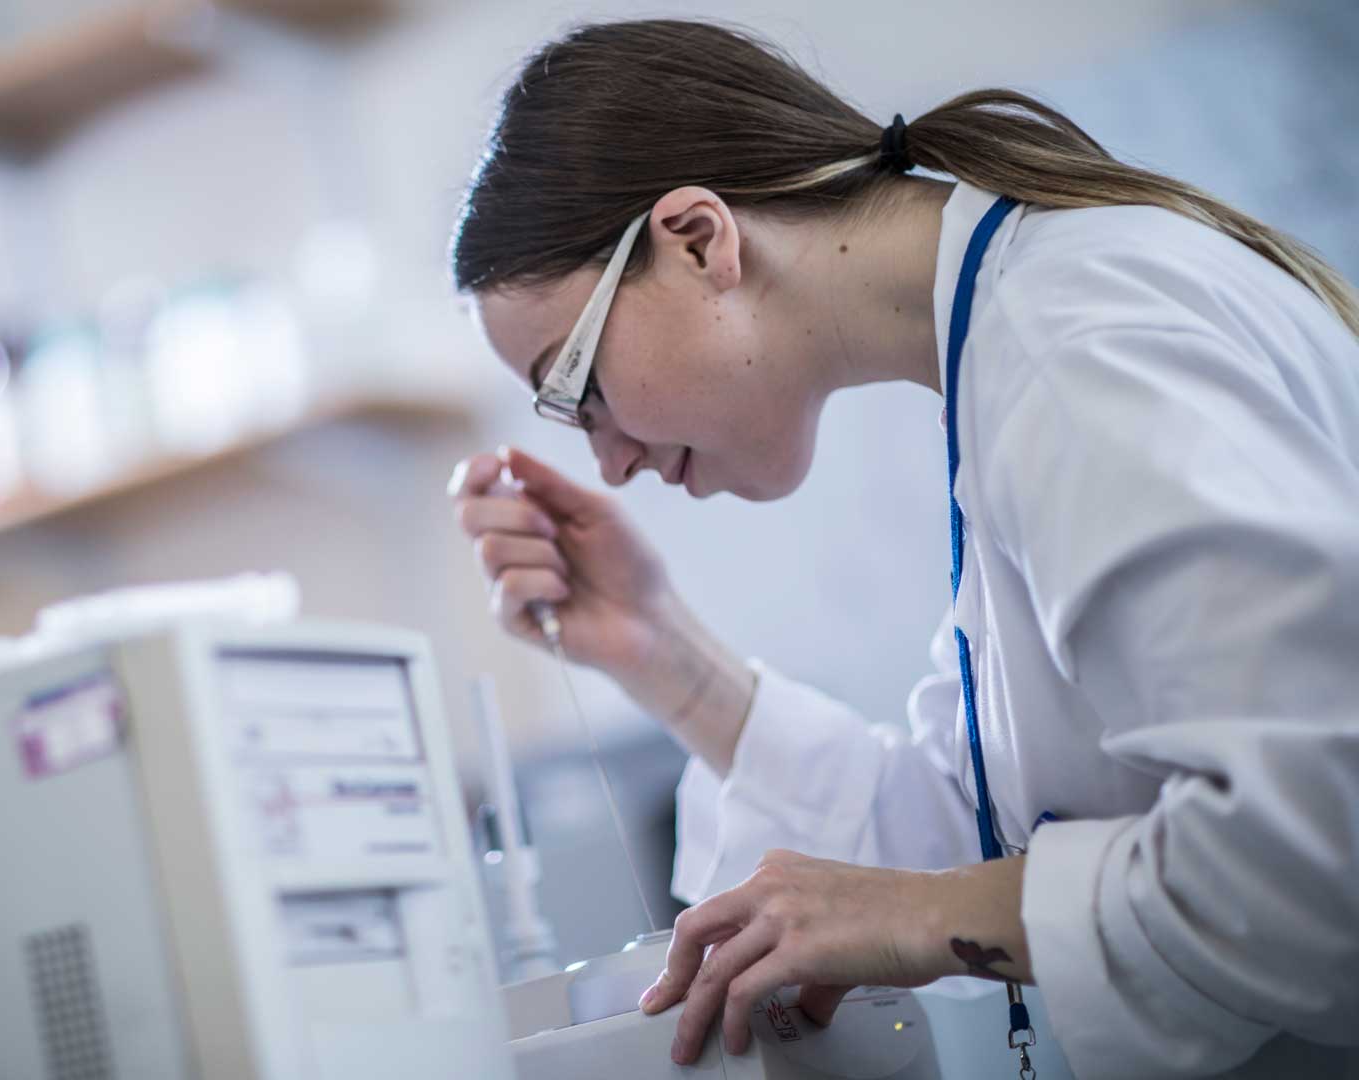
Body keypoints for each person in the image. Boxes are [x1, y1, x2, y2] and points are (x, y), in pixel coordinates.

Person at [444, 18, 1359, 1080]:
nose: (608, 462)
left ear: (700, 239)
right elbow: (972, 825)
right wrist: (658, 650)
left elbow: (1317, 852)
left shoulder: (1075, 343)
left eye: (578, 388)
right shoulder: (1008, 345)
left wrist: (928, 917)